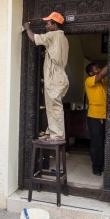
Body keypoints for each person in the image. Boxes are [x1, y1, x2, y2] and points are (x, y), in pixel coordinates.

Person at [23, 12, 69, 142]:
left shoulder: (53, 35)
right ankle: (52, 131)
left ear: (54, 25)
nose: (46, 25)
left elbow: (33, 38)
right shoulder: (63, 38)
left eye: (48, 23)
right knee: (52, 105)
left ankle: (58, 135)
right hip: (59, 76)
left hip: (55, 76)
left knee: (54, 106)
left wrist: (27, 28)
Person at [85, 63, 108, 176]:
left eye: (99, 67)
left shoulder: (103, 82)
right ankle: (96, 167)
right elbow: (102, 74)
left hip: (105, 116)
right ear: (90, 73)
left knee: (104, 142)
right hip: (94, 117)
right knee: (97, 143)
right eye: (96, 69)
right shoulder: (89, 81)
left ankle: (103, 165)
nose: (99, 70)